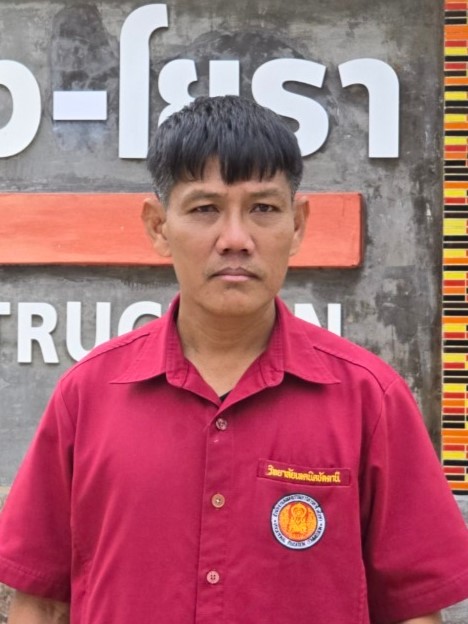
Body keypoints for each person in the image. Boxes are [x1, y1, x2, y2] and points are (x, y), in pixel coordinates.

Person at [0, 95, 467, 624]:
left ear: (298, 224)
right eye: (205, 209)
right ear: (158, 226)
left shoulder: (369, 399)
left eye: (263, 209)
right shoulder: (88, 394)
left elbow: (412, 610)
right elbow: (41, 603)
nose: (236, 240)